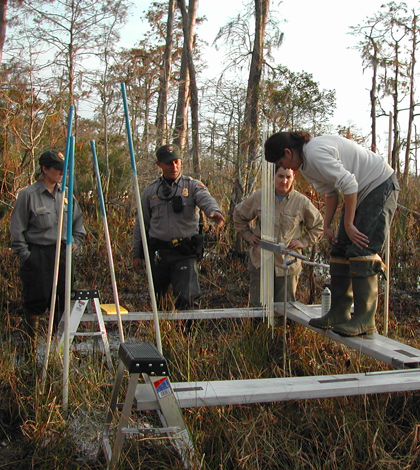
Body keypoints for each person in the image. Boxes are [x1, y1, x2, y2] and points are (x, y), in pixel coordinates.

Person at [265, 132, 399, 336]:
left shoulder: (315, 152)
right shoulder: (305, 165)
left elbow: (350, 184)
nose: (284, 168)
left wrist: (348, 223)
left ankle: (365, 320)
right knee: (339, 248)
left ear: (288, 152)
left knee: (361, 247)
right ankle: (339, 312)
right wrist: (327, 226)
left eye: (281, 161)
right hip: (359, 191)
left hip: (379, 184)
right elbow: (331, 193)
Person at [133, 143, 225, 310]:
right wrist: (137, 253)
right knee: (159, 301)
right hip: (159, 254)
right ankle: (165, 334)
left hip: (184, 252)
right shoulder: (150, 191)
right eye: (169, 163)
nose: (174, 166)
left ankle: (188, 335)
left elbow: (205, 198)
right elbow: (142, 223)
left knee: (187, 299)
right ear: (159, 165)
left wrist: (214, 212)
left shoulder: (192, 186)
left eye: (177, 161)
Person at [10, 150, 86, 346]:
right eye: (57, 169)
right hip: (38, 254)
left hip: (62, 254)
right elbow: (17, 229)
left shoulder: (67, 195)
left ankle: (57, 350)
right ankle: (30, 350)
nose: (62, 173)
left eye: (64, 169)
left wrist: (73, 247)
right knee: (34, 302)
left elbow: (78, 227)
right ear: (45, 169)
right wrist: (27, 256)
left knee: (63, 302)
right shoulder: (28, 195)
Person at [233, 166, 323, 305]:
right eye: (280, 176)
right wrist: (248, 236)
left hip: (287, 264)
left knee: (285, 310)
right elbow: (238, 214)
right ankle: (258, 327)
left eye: (288, 177)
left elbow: (318, 226)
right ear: (273, 177)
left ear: (294, 177)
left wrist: (303, 242)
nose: (284, 181)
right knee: (259, 309)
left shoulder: (301, 202)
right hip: (261, 261)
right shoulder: (260, 197)